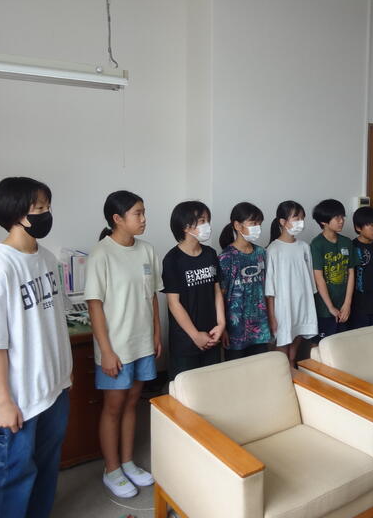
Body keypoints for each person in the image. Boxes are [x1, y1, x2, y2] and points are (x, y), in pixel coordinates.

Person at [0, 177, 72, 518]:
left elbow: (51, 322)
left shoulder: (46, 258)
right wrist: (3, 402)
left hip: (52, 389)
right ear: (17, 214)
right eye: (39, 208)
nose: (47, 214)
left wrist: (63, 376)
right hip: (17, 398)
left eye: (48, 206)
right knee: (10, 478)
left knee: (45, 469)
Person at [85, 190, 161, 498]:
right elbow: (94, 306)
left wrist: (156, 334)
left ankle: (128, 462)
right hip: (116, 347)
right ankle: (112, 469)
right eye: (137, 213)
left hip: (142, 343)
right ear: (117, 218)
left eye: (143, 212)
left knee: (132, 403)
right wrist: (106, 351)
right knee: (113, 408)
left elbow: (152, 296)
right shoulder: (100, 254)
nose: (143, 219)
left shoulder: (147, 251)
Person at [162, 201, 225, 380]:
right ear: (185, 226)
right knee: (186, 388)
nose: (207, 225)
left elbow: (217, 292)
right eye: (202, 221)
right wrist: (195, 335)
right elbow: (174, 303)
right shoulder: (172, 259)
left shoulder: (210, 254)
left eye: (207, 220)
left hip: (212, 334)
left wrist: (221, 324)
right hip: (185, 340)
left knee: (212, 384)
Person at [265, 200, 318, 367]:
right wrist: (272, 316)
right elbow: (269, 288)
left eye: (302, 218)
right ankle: (283, 371)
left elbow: (310, 280)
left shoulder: (304, 247)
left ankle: (292, 364)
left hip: (302, 303)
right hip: (283, 305)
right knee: (282, 341)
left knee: (297, 336)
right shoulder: (273, 249)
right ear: (283, 221)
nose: (300, 222)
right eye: (296, 218)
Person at [217, 202, 272, 361]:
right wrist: (223, 328)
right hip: (236, 328)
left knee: (261, 367)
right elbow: (220, 295)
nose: (257, 228)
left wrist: (271, 318)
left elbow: (267, 289)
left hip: (260, 326)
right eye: (253, 223)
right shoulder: (226, 257)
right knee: (237, 370)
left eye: (259, 223)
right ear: (237, 225)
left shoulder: (261, 253)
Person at [310, 199, 358, 340]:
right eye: (337, 218)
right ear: (324, 221)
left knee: (343, 342)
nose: (341, 221)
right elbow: (319, 278)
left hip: (344, 304)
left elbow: (351, 273)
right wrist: (330, 307)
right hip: (324, 307)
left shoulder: (346, 242)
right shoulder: (317, 244)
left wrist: (347, 303)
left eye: (342, 217)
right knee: (322, 343)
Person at [350, 206, 373, 329]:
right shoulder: (352, 247)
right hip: (358, 303)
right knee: (360, 334)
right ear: (358, 227)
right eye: (370, 225)